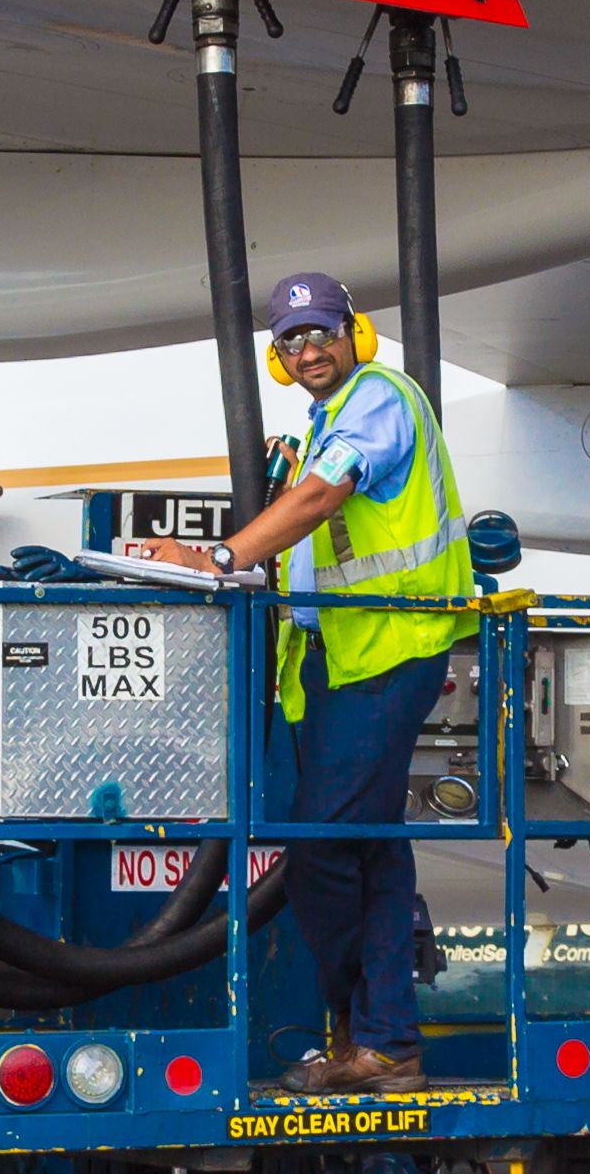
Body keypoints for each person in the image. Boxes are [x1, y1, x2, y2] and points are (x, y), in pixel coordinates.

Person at [189, 271, 476, 1089]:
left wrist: (220, 556)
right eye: (292, 340)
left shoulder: (379, 396)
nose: (309, 350)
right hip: (338, 659)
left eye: (321, 333)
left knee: (318, 850)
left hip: (388, 652)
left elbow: (322, 497)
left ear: (354, 334)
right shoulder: (326, 420)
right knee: (372, 851)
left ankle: (364, 1027)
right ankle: (383, 1042)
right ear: (277, 357)